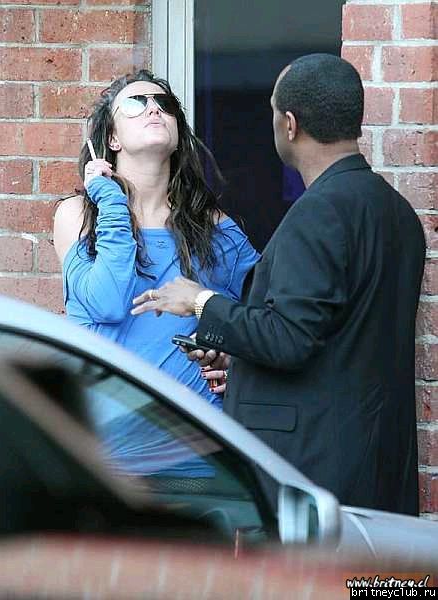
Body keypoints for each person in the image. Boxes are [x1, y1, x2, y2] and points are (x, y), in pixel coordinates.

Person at [132, 54, 426, 516]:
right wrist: (240, 361)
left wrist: (201, 301)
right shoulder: (399, 213)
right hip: (379, 471)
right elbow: (335, 340)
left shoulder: (319, 213)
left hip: (313, 478)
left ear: (289, 124)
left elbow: (289, 339)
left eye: (272, 110)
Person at [54, 70, 259, 412]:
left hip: (197, 432)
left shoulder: (212, 224)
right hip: (106, 436)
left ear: (178, 136)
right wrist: (112, 201)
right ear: (112, 139)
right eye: (136, 103)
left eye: (164, 104)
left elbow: (267, 320)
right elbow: (108, 302)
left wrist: (234, 358)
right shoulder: (78, 215)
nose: (154, 109)